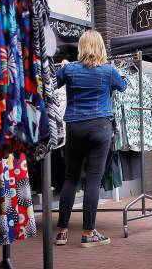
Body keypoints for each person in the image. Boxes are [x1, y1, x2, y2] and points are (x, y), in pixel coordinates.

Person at [54, 30, 128, 248]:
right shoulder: (108, 71)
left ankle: (62, 231)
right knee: (93, 179)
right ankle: (88, 233)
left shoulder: (69, 69)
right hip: (100, 126)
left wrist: (62, 69)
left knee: (71, 177)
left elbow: (51, 87)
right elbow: (123, 87)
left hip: (75, 126)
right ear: (101, 47)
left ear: (81, 47)